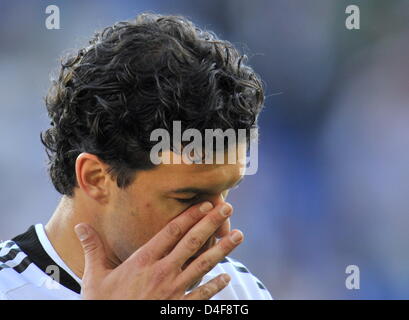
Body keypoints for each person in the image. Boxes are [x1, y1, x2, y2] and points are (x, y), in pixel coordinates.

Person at [0, 13, 272, 300]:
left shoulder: (241, 292)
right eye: (188, 198)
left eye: (226, 192)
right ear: (95, 179)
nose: (219, 228)